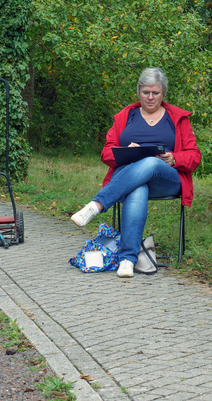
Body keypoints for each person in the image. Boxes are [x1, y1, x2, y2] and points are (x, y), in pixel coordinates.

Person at [70, 68, 201, 278]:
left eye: (155, 93)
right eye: (145, 92)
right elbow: (106, 153)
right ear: (138, 91)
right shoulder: (125, 116)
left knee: (150, 162)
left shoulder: (177, 118)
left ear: (163, 94)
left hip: (166, 178)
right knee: (138, 188)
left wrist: (175, 158)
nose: (150, 97)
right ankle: (127, 260)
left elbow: (194, 156)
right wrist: (125, 153)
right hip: (130, 180)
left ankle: (96, 205)